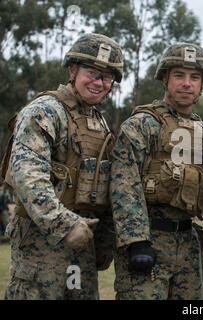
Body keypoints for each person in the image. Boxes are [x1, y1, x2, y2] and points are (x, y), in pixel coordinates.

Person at [2, 33, 123, 300]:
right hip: (41, 248)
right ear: (72, 70)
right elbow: (28, 177)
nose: (98, 82)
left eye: (106, 77)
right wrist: (64, 224)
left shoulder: (98, 122)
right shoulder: (45, 111)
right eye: (91, 72)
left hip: (81, 248)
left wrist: (103, 239)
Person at [111, 42, 203, 300]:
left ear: (202, 84)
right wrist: (136, 240)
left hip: (189, 243)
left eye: (194, 77)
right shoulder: (142, 125)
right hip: (148, 242)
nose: (186, 84)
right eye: (179, 75)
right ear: (166, 79)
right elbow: (124, 184)